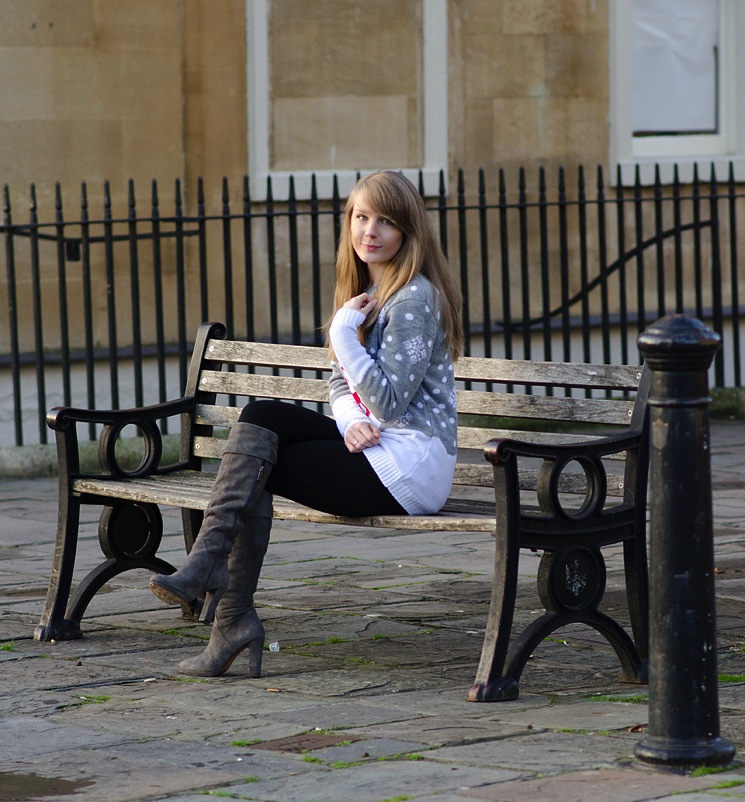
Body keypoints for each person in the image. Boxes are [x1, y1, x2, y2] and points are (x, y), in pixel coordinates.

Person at [149, 170, 464, 677]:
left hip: (410, 468)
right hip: (379, 448)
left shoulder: (412, 299)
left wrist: (343, 333)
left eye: (386, 221)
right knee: (261, 417)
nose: (370, 231)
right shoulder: (369, 291)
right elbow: (343, 386)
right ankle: (218, 584)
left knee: (260, 461)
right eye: (361, 217)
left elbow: (385, 402)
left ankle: (225, 604)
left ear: (408, 231)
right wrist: (345, 421)